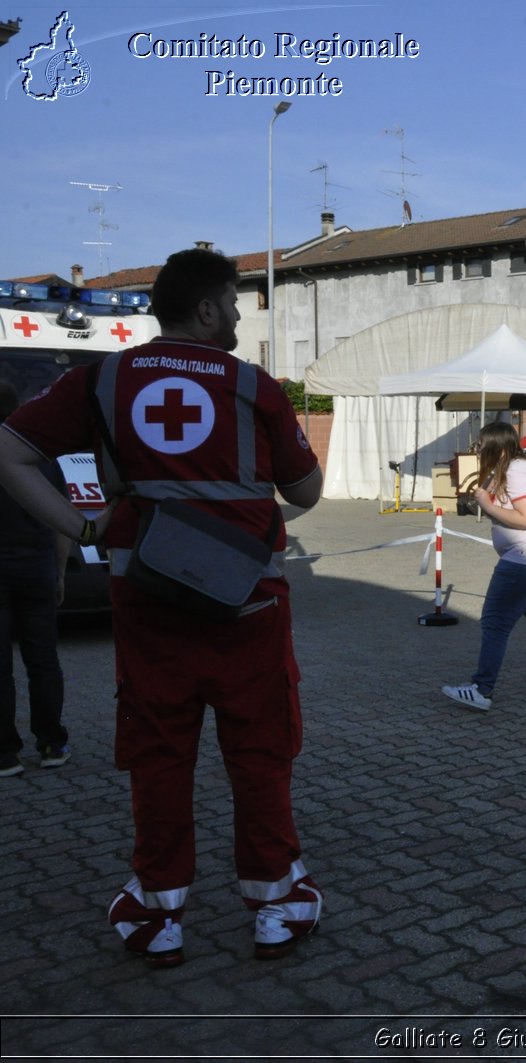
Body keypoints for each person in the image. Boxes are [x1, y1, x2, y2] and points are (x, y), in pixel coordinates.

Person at [0, 247, 324, 967]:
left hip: (149, 609)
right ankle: (275, 905)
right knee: (260, 753)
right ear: (206, 309)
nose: (239, 315)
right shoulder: (254, 387)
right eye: (234, 304)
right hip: (249, 611)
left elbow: (9, 451)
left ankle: (156, 913)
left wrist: (81, 525)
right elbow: (306, 493)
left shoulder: (102, 381)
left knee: (159, 757)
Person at [442, 421, 526, 711]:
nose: (478, 451)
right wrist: (485, 489)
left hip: (525, 561)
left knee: (494, 622)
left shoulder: (518, 471)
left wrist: (488, 506)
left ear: (497, 448)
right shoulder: (510, 468)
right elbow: (491, 495)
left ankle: (481, 689)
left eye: (481, 446)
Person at [0, 382, 71, 779]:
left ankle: (5, 755)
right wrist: (59, 572)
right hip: (36, 570)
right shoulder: (41, 459)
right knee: (43, 661)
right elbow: (60, 522)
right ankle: (51, 744)